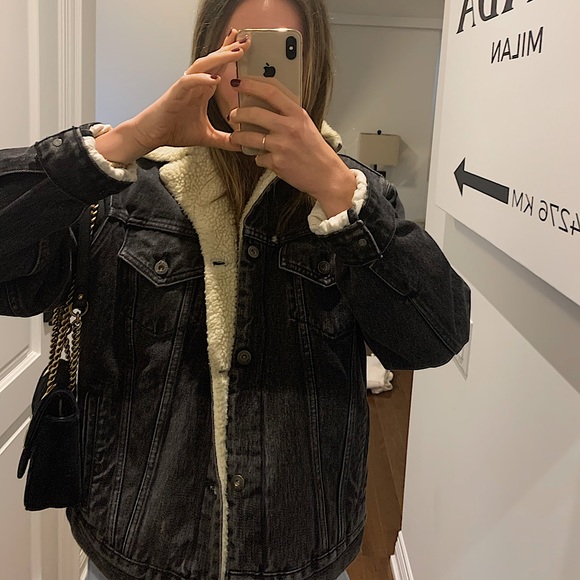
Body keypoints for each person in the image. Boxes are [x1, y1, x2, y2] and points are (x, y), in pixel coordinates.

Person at [0, 0, 471, 578]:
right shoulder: (125, 194)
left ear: (313, 64)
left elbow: (436, 337)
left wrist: (336, 192)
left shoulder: (353, 196)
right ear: (208, 53)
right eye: (239, 45)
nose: (255, 69)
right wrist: (124, 142)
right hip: (139, 551)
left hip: (299, 555)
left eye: (282, 48)